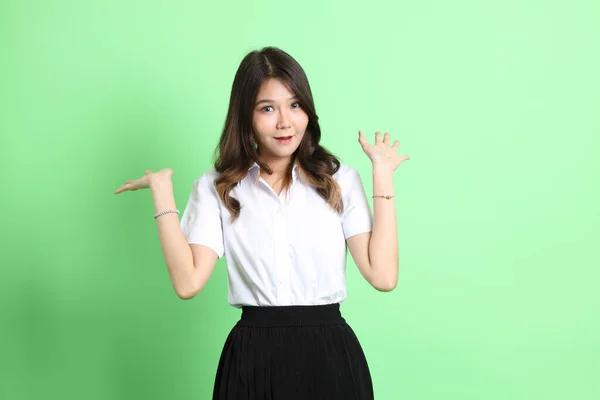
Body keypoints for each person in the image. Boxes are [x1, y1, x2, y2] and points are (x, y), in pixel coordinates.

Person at [114, 46, 410, 399]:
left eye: (295, 105)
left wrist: (383, 174)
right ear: (246, 117)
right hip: (252, 361)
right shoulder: (217, 187)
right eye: (268, 108)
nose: (285, 121)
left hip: (329, 358)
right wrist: (162, 193)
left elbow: (383, 276)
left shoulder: (339, 180)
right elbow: (188, 282)